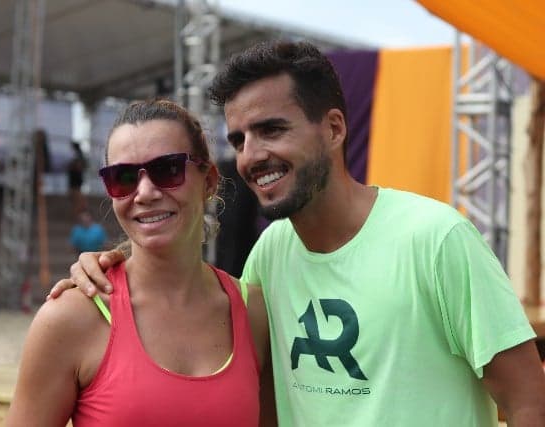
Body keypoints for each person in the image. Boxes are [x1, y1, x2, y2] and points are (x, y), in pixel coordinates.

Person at [50, 41, 545, 426]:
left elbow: (528, 399)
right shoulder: (272, 254)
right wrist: (114, 260)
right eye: (240, 139)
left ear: (333, 129)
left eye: (272, 130)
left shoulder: (436, 239)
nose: (252, 155)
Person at [8, 100, 275, 426]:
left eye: (168, 170)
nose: (145, 192)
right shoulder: (70, 318)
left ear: (208, 181)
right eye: (123, 177)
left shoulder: (255, 313)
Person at [67, 141, 88, 217]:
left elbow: (80, 166)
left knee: (76, 196)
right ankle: (78, 210)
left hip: (76, 179)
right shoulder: (78, 155)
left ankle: (80, 210)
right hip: (75, 179)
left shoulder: (78, 156)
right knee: (74, 196)